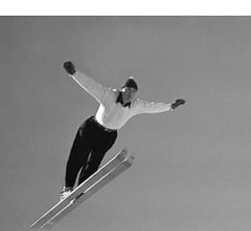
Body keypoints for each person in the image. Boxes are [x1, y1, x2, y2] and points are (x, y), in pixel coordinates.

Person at [60, 61, 185, 200]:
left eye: (133, 92)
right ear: (122, 89)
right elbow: (90, 85)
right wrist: (74, 73)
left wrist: (171, 106)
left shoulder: (136, 105)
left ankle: (80, 189)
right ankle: (68, 188)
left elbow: (153, 107)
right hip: (91, 129)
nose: (130, 93)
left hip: (108, 136)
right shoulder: (108, 94)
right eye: (128, 90)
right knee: (79, 156)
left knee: (93, 162)